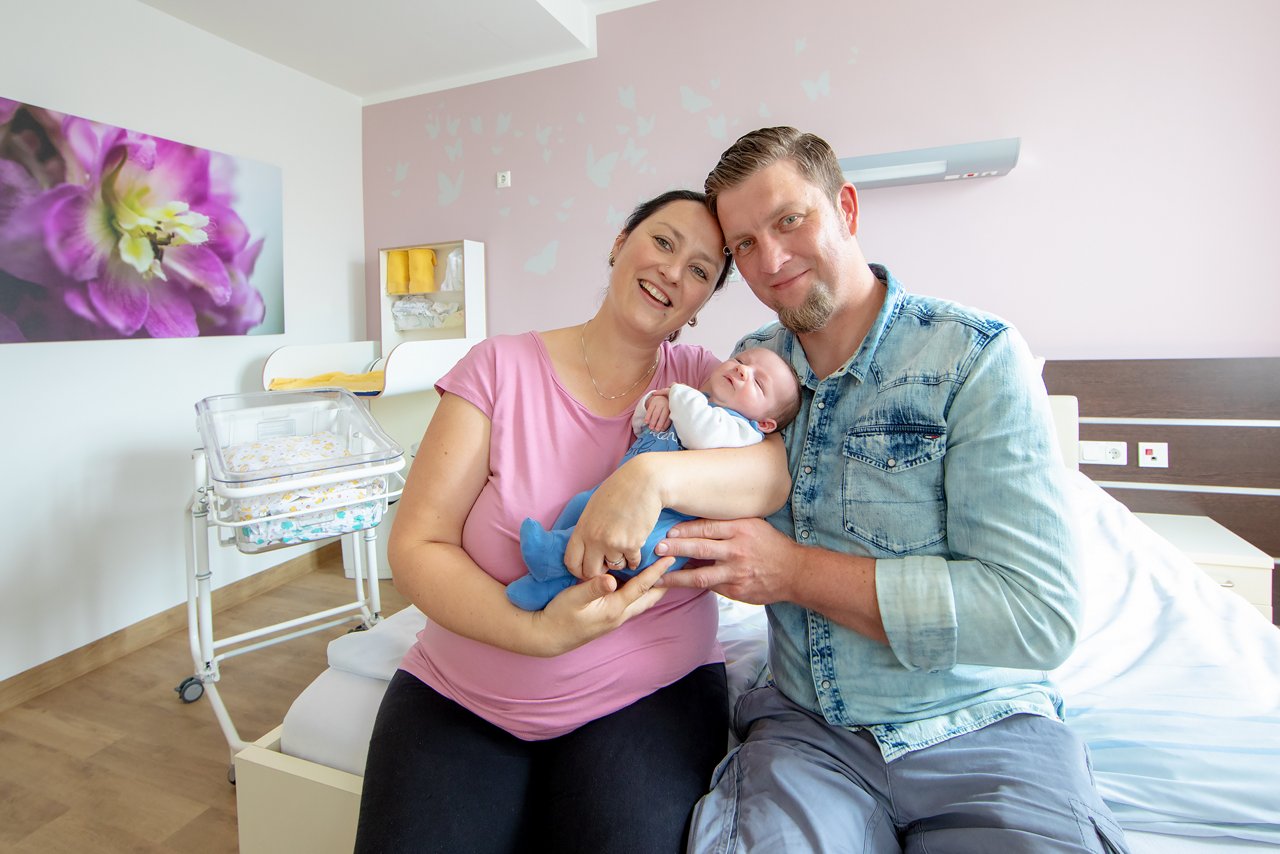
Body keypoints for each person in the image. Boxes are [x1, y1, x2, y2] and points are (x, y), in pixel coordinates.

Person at [652, 128, 1131, 853]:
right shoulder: (750, 373)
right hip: (807, 733)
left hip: (981, 727)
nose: (771, 261)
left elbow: (1039, 615)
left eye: (789, 220)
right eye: (744, 244)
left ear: (845, 207)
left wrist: (789, 571)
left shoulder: (973, 358)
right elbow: (687, 467)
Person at [353, 189, 791, 854]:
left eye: (702, 270)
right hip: (463, 691)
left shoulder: (705, 384)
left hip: (649, 692)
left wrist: (649, 476)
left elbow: (772, 474)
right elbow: (417, 544)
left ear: (703, 304)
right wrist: (535, 632)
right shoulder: (499, 368)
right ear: (620, 242)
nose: (675, 272)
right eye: (663, 242)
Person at [510, 347, 801, 610]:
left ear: (766, 422)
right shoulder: (692, 403)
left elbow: (700, 431)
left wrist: (673, 393)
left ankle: (550, 554)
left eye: (758, 383)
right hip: (616, 495)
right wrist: (654, 403)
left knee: (633, 542)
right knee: (580, 505)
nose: (742, 370)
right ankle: (548, 583)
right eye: (740, 360)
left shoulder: (742, 431)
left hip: (662, 526)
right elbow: (641, 425)